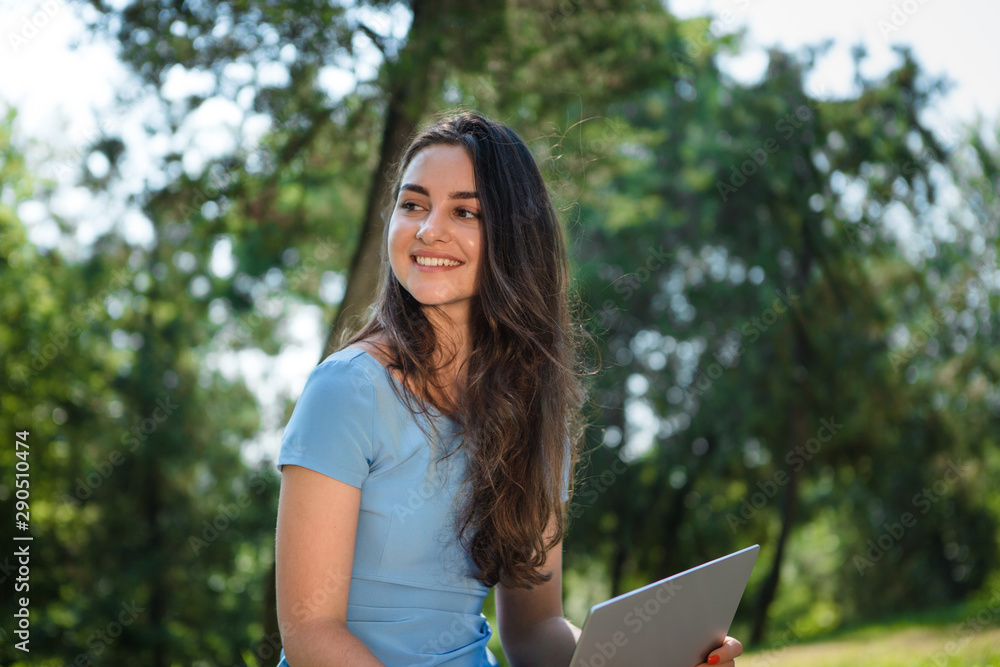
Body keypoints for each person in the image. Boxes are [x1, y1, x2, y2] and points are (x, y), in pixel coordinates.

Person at [272, 110, 744, 666]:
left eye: (465, 211)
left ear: (516, 235)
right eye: (413, 204)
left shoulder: (535, 413)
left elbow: (534, 628)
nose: (428, 230)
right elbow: (309, 633)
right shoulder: (346, 390)